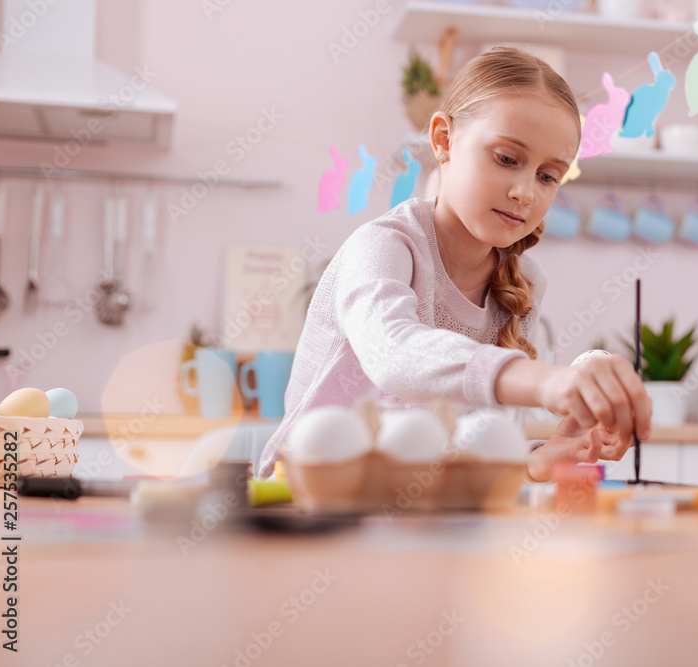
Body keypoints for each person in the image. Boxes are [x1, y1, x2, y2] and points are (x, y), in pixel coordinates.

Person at [258, 46, 651, 481]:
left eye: (547, 175)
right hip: (304, 504)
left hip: (415, 515)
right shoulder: (384, 246)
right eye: (506, 158)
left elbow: (455, 449)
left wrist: (541, 457)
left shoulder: (522, 286)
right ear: (444, 140)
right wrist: (546, 382)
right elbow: (394, 355)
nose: (526, 192)